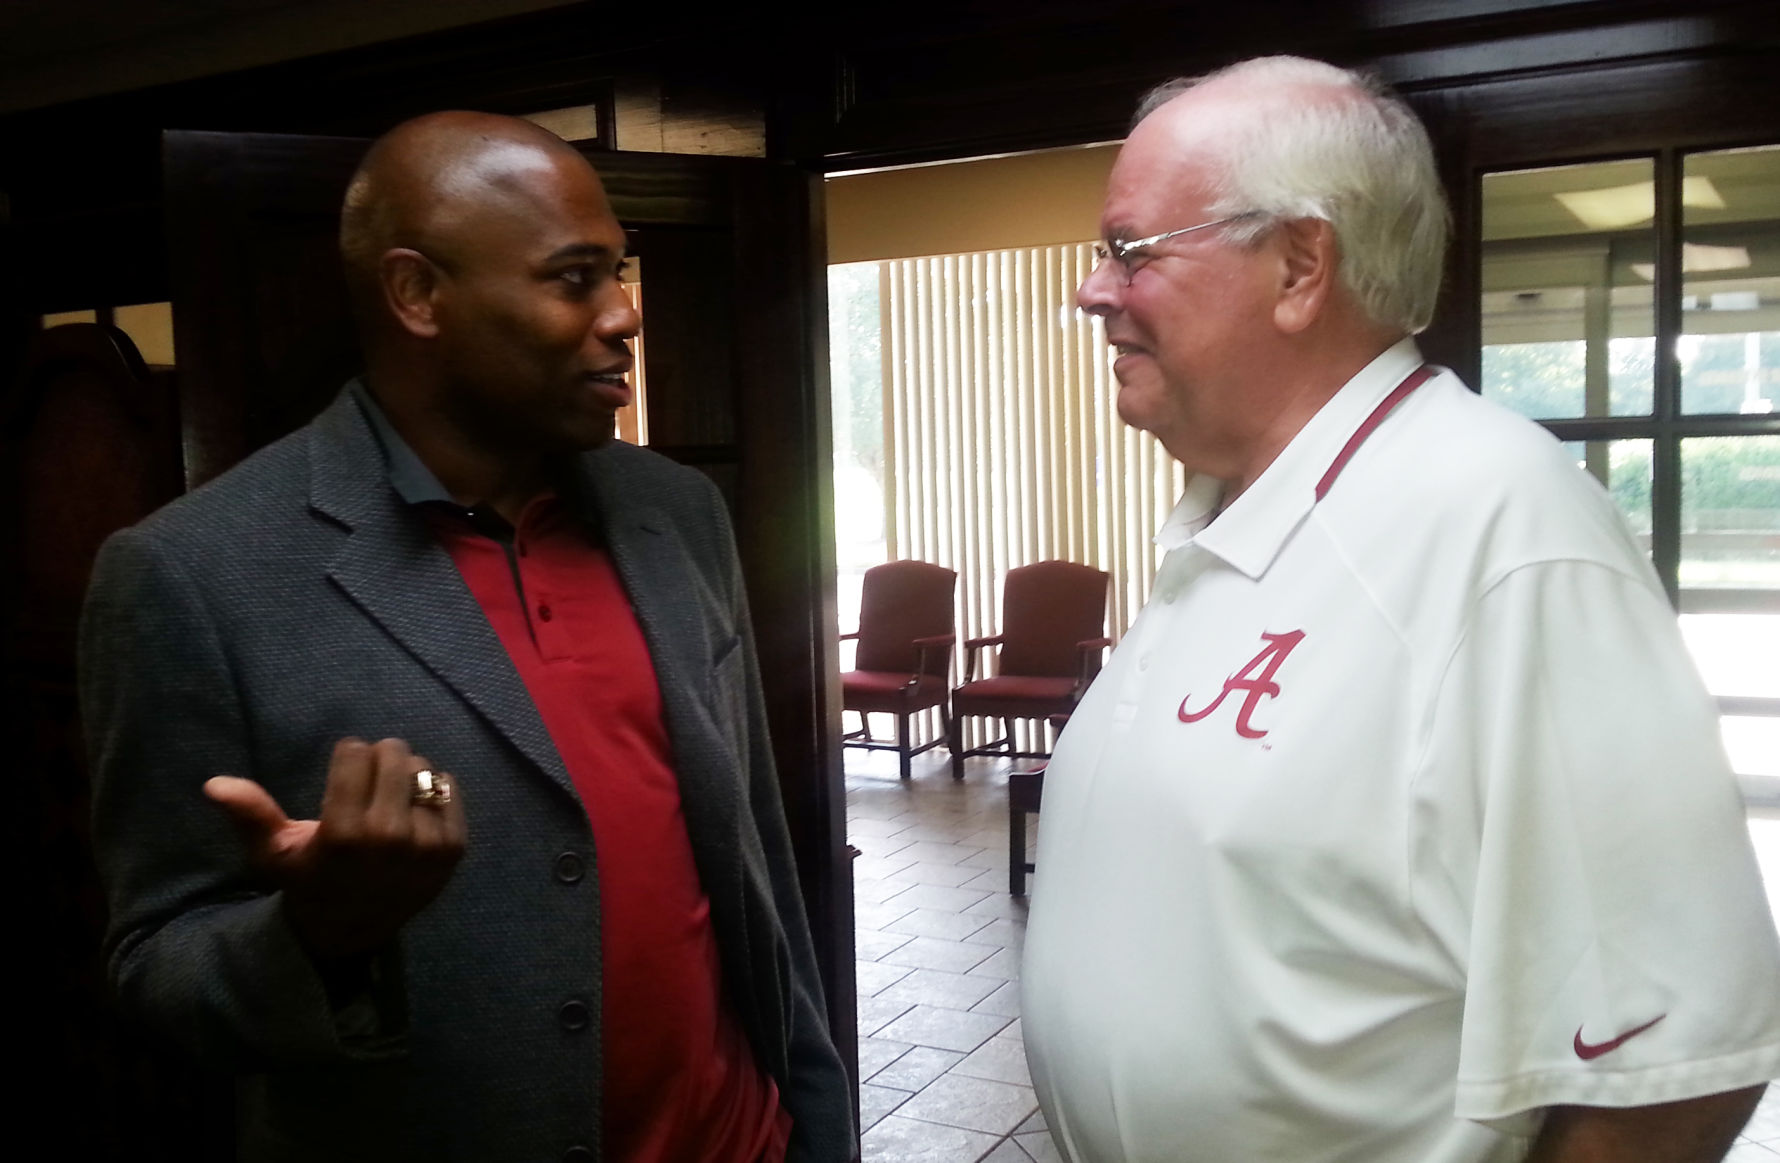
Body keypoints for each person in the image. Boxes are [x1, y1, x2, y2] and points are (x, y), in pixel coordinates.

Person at [1022, 55, 1780, 1163]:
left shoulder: (1502, 527)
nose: (1094, 291)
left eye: (1130, 252)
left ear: (1299, 266)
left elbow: (1668, 1073)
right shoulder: (1234, 513)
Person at [79, 112, 854, 1163]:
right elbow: (155, 967)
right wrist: (319, 934)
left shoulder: (678, 511)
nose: (623, 313)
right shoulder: (191, 574)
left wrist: (815, 1119)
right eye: (573, 278)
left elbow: (754, 852)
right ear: (417, 294)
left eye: (617, 272)